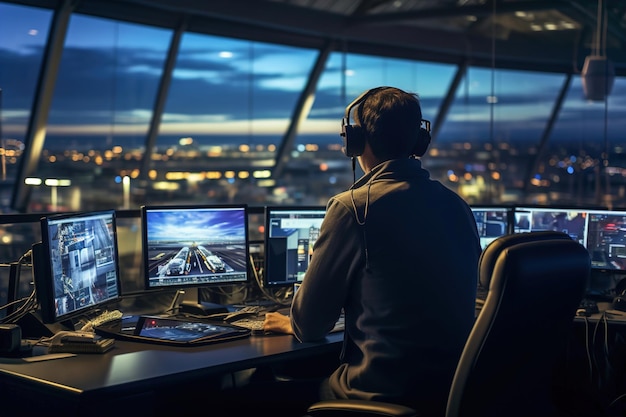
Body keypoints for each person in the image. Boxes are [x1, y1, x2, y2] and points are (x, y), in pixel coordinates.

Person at [220, 86, 481, 417]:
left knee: (236, 397)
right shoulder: (457, 205)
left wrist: (290, 322)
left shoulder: (354, 208)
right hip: (446, 393)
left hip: (376, 394)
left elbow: (309, 327)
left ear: (355, 141)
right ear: (419, 141)